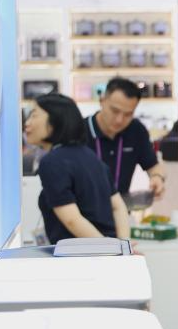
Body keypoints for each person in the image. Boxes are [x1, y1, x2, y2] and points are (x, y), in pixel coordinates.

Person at [24, 93, 131, 244]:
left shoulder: (52, 162)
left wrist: (108, 250)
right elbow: (118, 206)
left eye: (34, 115)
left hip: (81, 254)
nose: (27, 123)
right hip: (103, 249)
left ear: (56, 120)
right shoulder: (90, 155)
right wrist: (123, 246)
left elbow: (72, 220)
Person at [86, 77, 167, 198]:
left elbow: (153, 165)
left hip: (122, 207)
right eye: (115, 111)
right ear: (102, 101)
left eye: (128, 114)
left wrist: (157, 177)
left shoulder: (136, 130)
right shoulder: (80, 131)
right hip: (82, 209)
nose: (119, 120)